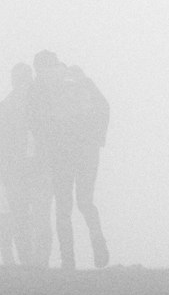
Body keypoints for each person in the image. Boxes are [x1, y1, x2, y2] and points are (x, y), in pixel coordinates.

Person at [27, 49, 110, 270]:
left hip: (60, 153)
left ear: (39, 68)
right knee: (85, 201)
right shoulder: (80, 79)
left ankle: (68, 260)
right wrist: (97, 139)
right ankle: (97, 237)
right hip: (88, 151)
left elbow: (35, 121)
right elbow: (104, 106)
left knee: (63, 207)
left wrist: (44, 147)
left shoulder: (39, 87)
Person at [0, 62, 43, 266]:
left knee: (27, 216)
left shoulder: (5, 107)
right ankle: (31, 261)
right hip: (26, 168)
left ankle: (31, 261)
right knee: (28, 216)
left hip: (22, 168)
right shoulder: (37, 105)